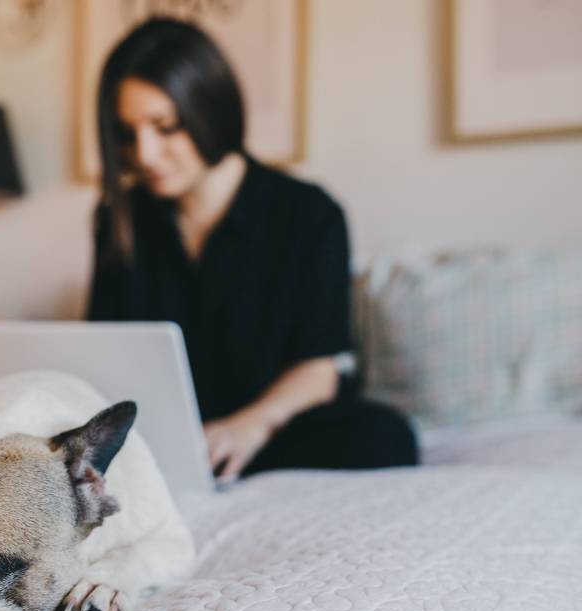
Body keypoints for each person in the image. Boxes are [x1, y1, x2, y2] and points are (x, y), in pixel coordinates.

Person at [87, 18, 418, 483]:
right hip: (171, 432)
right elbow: (104, 353)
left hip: (274, 425)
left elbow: (318, 370)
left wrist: (248, 427)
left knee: (383, 435)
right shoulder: (118, 219)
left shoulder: (308, 213)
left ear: (209, 110)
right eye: (127, 133)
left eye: (165, 127)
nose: (144, 154)